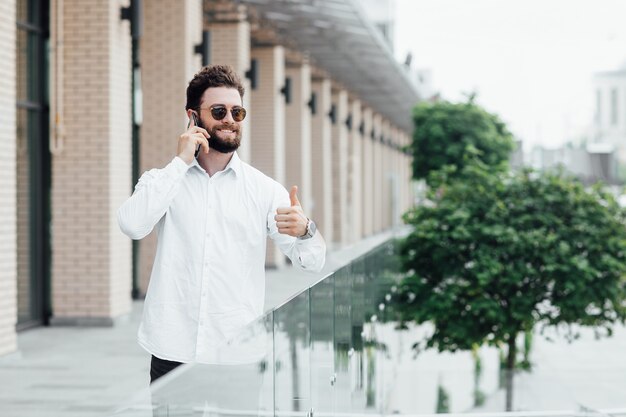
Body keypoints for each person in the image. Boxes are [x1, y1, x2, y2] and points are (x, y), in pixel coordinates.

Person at [117, 64, 326, 384]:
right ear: (193, 117)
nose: (230, 119)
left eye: (237, 112)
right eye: (218, 110)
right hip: (172, 350)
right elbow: (132, 225)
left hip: (236, 355)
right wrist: (180, 162)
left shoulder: (265, 190)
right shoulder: (164, 181)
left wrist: (306, 230)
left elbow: (311, 262)